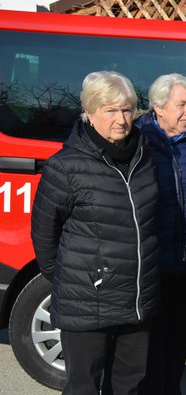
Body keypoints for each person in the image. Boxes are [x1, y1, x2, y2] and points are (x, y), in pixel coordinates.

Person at [30, 71, 160, 395]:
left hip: (135, 300)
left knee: (130, 386)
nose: (121, 119)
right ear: (89, 113)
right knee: (83, 388)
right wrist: (75, 278)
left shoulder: (145, 158)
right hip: (87, 302)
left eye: (128, 110)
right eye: (110, 110)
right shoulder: (65, 166)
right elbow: (44, 233)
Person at [136, 74, 186, 395]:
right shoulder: (137, 141)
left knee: (175, 344)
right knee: (145, 348)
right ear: (158, 106)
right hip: (149, 264)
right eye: (181, 104)